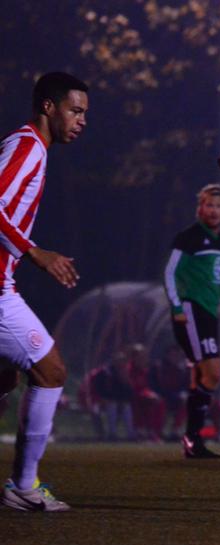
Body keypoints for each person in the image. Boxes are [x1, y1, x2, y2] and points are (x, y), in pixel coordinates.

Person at [0, 72, 87, 512]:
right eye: (75, 110)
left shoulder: (29, 147)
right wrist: (34, 252)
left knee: (4, 376)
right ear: (48, 108)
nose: (82, 120)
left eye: (85, 113)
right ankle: (23, 485)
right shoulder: (28, 146)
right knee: (51, 371)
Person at [164, 183, 220, 459]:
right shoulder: (189, 237)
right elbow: (170, 272)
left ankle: (192, 439)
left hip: (208, 314)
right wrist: (176, 306)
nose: (214, 210)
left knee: (202, 376)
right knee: (211, 374)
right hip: (191, 310)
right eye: (209, 205)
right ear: (199, 208)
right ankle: (192, 437)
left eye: (219, 206)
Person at [149, 344, 191, 440]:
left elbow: (187, 385)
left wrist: (185, 393)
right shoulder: (158, 367)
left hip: (177, 396)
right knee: (160, 403)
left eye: (178, 355)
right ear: (167, 355)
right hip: (162, 395)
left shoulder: (183, 369)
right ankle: (157, 432)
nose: (175, 357)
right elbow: (152, 384)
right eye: (173, 354)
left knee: (187, 402)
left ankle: (175, 430)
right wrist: (155, 394)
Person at [92, 351, 137, 441]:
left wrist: (125, 381)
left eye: (123, 361)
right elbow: (98, 388)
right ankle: (112, 433)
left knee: (126, 406)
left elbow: (128, 392)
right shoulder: (105, 372)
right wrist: (103, 398)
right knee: (112, 405)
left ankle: (131, 434)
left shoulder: (126, 373)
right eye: (119, 360)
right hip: (101, 401)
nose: (121, 363)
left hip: (118, 401)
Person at [127, 343, 165, 442]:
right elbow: (133, 387)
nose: (143, 358)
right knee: (144, 403)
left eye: (144, 356)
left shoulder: (144, 369)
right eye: (140, 356)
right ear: (134, 357)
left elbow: (146, 387)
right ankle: (142, 432)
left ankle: (154, 432)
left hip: (143, 396)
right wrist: (147, 394)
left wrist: (151, 394)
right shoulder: (129, 369)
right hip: (132, 396)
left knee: (159, 402)